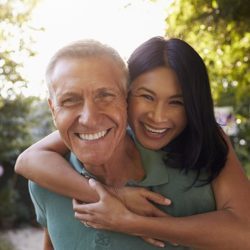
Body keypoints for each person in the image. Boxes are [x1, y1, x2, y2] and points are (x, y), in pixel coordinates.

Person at [15, 37, 250, 249]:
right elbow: (28, 160)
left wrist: (133, 222)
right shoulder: (50, 179)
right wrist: (110, 195)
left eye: (176, 102)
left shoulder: (206, 148)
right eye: (147, 96)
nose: (158, 117)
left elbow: (244, 234)